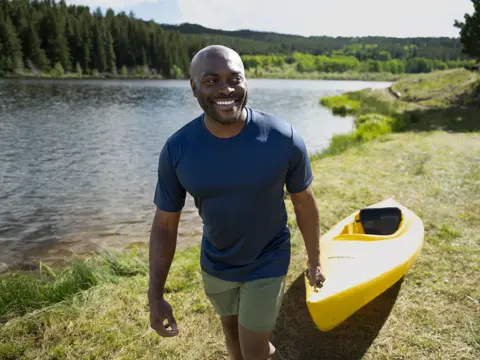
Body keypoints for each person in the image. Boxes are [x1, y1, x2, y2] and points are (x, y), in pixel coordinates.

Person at [148, 45, 326, 360]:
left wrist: (315, 260)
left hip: (268, 258)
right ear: (193, 87)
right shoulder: (177, 150)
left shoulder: (282, 138)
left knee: (254, 349)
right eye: (212, 81)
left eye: (234, 78)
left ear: (246, 81)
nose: (226, 89)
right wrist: (156, 294)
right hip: (216, 262)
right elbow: (165, 224)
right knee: (233, 341)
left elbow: (304, 204)